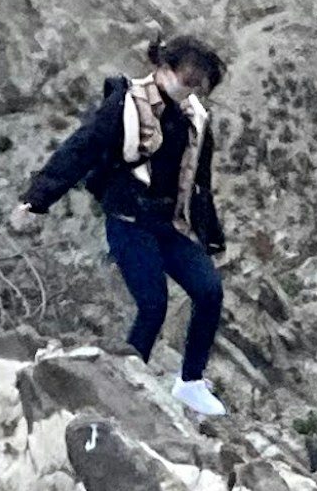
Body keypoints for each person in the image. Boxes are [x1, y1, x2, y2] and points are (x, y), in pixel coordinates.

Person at [25, 34, 230, 418]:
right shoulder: (127, 103)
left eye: (199, 86)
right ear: (165, 69)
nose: (191, 93)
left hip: (168, 223)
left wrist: (210, 235)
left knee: (209, 291)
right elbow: (82, 147)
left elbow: (199, 182)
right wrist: (39, 196)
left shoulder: (196, 119)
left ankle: (190, 382)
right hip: (129, 220)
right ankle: (123, 384)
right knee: (153, 305)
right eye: (187, 81)